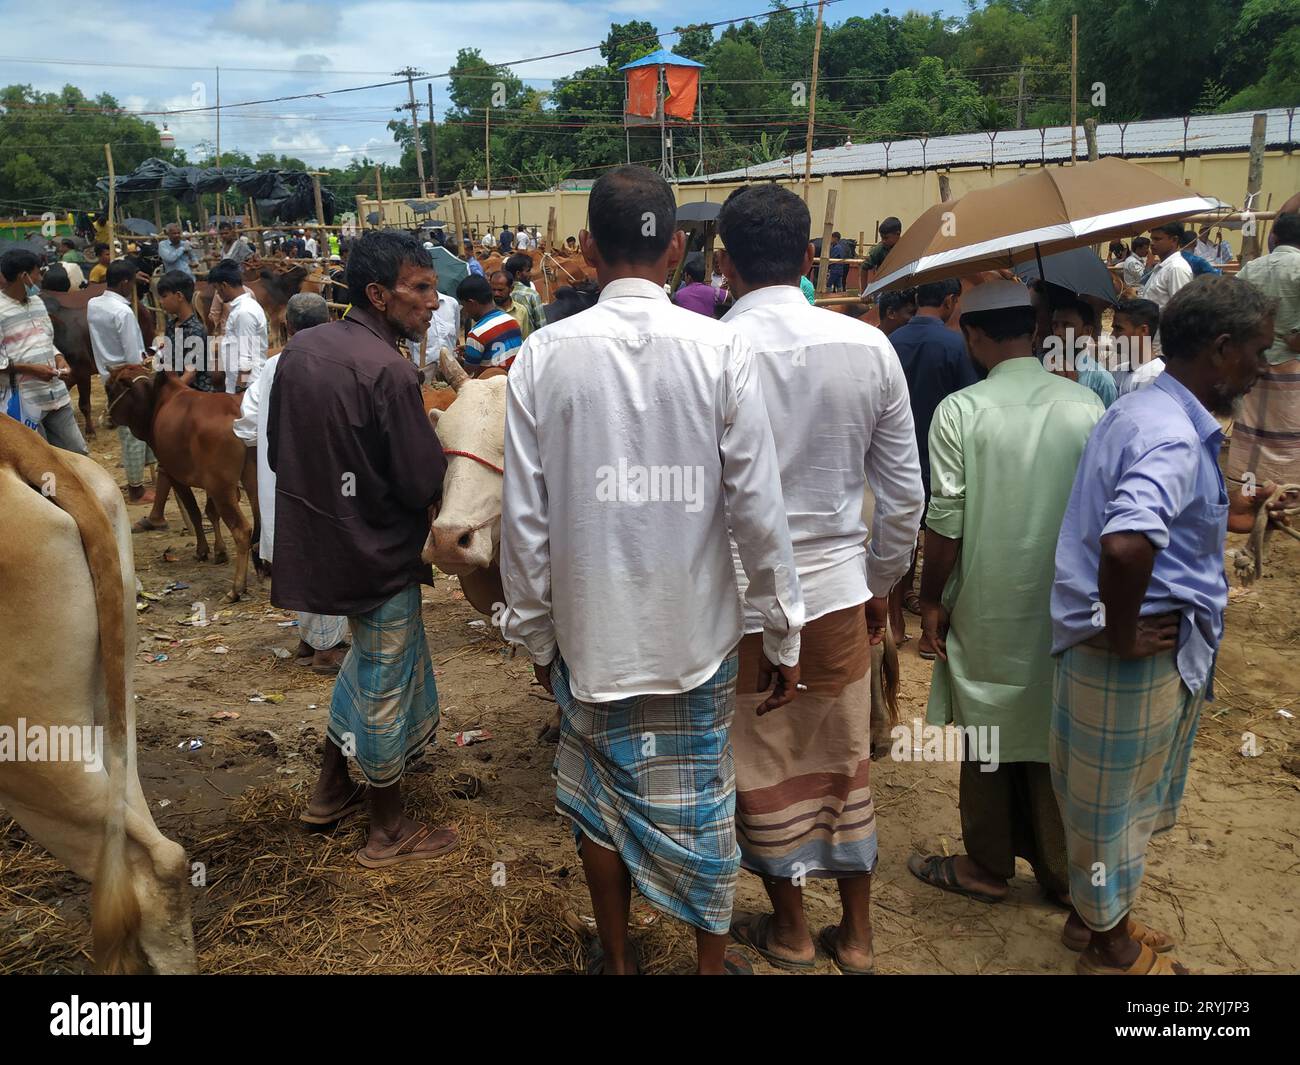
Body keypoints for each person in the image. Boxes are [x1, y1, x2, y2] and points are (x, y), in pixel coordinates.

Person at [499, 164, 804, 976]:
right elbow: (758, 509)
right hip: (696, 635)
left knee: (598, 804)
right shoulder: (722, 348)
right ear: (676, 248)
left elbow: (523, 523)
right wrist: (782, 628)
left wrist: (532, 632)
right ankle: (710, 964)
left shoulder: (539, 359)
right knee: (705, 804)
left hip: (590, 636)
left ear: (589, 250)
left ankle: (621, 959)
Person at [1050, 275, 1288, 974]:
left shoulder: (1149, 407)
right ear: (1220, 350)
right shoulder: (1171, 436)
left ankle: (1091, 918)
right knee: (1111, 810)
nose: (1262, 367)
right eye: (1256, 351)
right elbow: (1126, 543)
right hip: (1129, 652)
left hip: (1136, 643)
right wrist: (1122, 632)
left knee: (1116, 800)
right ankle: (1108, 946)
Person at [716, 182, 924, 976]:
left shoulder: (711, 352)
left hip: (739, 602)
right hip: (839, 591)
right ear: (809, 257)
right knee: (843, 757)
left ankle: (794, 928)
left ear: (723, 261)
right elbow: (902, 494)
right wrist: (880, 583)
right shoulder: (869, 348)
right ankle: (859, 934)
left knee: (763, 763)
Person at [907, 280, 1104, 920]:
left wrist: (930, 597)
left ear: (974, 336)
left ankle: (987, 865)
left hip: (987, 598)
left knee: (987, 718)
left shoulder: (961, 411)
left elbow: (946, 520)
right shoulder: (1087, 407)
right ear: (1036, 329)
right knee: (1053, 723)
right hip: (1068, 604)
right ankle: (1061, 872)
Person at [268, 230, 456, 865]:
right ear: (379, 294)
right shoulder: (391, 371)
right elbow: (418, 479)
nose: (434, 302)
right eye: (421, 288)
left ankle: (328, 789)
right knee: (381, 679)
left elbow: (278, 452)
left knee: (363, 663)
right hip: (378, 551)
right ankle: (388, 829)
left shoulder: (302, 350)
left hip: (320, 539)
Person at [233, 292, 349, 673]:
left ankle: (309, 638)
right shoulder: (335, 364)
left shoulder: (271, 368)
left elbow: (246, 425)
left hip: (280, 480)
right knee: (325, 558)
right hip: (325, 481)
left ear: (288, 327)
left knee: (300, 554)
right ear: (328, 324)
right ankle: (327, 650)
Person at [887, 277, 979, 655]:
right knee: (944, 537)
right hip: (943, 458)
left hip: (893, 458)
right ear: (950, 300)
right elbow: (969, 403)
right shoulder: (957, 345)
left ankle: (894, 611)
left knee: (898, 534)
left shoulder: (890, 342)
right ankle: (932, 627)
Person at [1227, 211, 1300, 486]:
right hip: (1292, 361)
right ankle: (1290, 488)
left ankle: (1250, 484)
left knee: (1253, 428)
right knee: (1290, 427)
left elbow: (1233, 310)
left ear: (1274, 236)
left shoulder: (1252, 268)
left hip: (1253, 360)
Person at [0, 249, 86, 454]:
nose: (40, 278)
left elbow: (46, 339)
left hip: (56, 394)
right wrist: (31, 369)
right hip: (24, 402)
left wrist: (59, 357)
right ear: (24, 276)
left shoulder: (38, 302)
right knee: (42, 462)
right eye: (37, 273)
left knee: (78, 453)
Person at [88, 260, 155, 502]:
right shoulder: (123, 312)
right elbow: (131, 355)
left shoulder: (93, 304)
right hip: (127, 376)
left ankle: (140, 475)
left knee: (129, 429)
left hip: (108, 374)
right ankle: (136, 488)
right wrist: (146, 363)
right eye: (133, 283)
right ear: (126, 282)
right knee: (133, 430)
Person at [208, 259, 268, 393]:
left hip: (248, 386)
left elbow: (246, 359)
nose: (217, 294)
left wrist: (239, 390)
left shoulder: (244, 312)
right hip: (242, 382)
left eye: (217, 289)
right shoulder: (242, 308)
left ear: (224, 286)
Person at [1048, 298, 1118, 407]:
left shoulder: (1101, 380)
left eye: (1067, 325)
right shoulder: (1042, 369)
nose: (1058, 332)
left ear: (1087, 331)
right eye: (1055, 325)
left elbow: (1107, 421)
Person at [456, 273, 522, 371]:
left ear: (471, 303)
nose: (465, 311)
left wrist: (458, 361)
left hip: (490, 385)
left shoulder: (476, 334)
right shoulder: (511, 321)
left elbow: (469, 371)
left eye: (464, 306)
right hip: (514, 382)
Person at [1112, 298, 1162, 395]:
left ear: (1143, 331)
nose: (1112, 335)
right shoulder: (1117, 371)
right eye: (1113, 328)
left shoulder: (1156, 377)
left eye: (1119, 329)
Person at [1140, 223, 1194, 310]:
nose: (1152, 244)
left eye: (1157, 239)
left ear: (1174, 240)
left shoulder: (1176, 268)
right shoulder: (1162, 266)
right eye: (1152, 239)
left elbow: (1181, 309)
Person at [420, 268, 460, 379]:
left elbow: (455, 337)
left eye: (431, 278)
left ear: (436, 279)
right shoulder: (411, 307)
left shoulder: (452, 303)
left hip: (451, 373)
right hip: (424, 375)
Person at [505, 253, 545, 334]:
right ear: (518, 274)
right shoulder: (531, 295)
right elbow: (541, 325)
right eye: (528, 271)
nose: (530, 274)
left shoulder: (502, 293)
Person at [489, 269, 531, 339]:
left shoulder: (521, 311)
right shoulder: (486, 311)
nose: (496, 293)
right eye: (493, 290)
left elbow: (524, 338)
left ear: (511, 289)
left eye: (500, 290)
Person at [863, 217, 902, 283]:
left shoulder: (906, 246)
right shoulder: (879, 249)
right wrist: (863, 292)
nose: (883, 241)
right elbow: (864, 267)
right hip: (883, 286)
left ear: (897, 234)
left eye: (886, 238)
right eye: (881, 237)